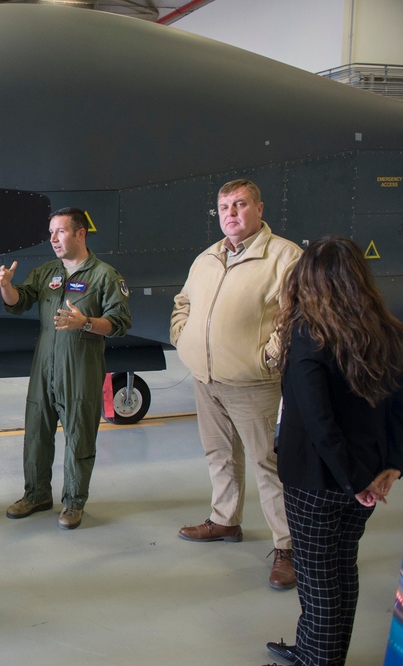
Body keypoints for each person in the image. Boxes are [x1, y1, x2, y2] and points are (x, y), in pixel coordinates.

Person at [262, 236, 403, 666]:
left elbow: (318, 422)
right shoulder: (387, 328)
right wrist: (390, 468)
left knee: (317, 575)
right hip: (368, 478)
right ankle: (318, 650)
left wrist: (353, 478)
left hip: (319, 479)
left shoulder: (308, 333)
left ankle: (318, 660)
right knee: (343, 565)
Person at [171, 178, 302, 590]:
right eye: (224, 206)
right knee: (219, 453)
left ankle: (288, 547)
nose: (231, 213)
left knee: (269, 466)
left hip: (254, 383)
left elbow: (299, 315)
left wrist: (268, 357)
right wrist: (183, 338)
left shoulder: (285, 257)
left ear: (259, 209)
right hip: (206, 379)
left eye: (240, 204)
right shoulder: (207, 257)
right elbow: (183, 302)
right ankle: (225, 520)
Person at [0, 207, 131, 530]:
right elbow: (20, 301)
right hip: (44, 366)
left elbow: (119, 323)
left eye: (60, 232)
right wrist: (6, 285)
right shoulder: (47, 274)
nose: (53, 239)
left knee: (79, 436)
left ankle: (74, 502)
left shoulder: (104, 276)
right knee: (36, 433)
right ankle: (37, 494)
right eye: (51, 233)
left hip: (81, 368)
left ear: (80, 233)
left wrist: (85, 322)